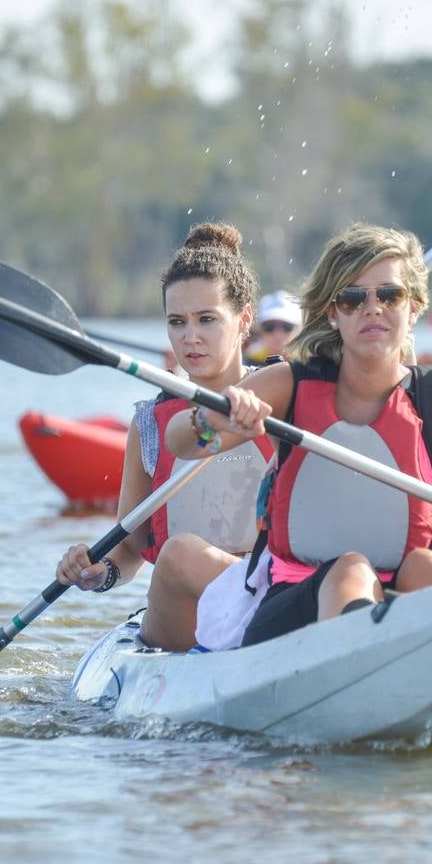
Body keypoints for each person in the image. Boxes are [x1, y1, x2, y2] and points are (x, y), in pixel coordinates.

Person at [163, 223, 432, 648]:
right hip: (293, 603)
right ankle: (364, 659)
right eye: (353, 299)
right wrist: (216, 420)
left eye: (390, 295)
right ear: (333, 313)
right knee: (350, 568)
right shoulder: (288, 385)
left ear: (415, 306)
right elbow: (181, 441)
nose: (373, 309)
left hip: (405, 594)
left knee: (427, 564)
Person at [54, 223, 274, 651]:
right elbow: (130, 549)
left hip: (270, 592)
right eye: (177, 322)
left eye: (207, 319)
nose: (189, 337)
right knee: (180, 553)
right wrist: (98, 573)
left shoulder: (283, 398)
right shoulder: (150, 424)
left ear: (244, 318)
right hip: (181, 616)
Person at [245, 290, 302, 364]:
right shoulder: (246, 363)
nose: (278, 334)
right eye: (269, 327)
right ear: (260, 330)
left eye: (287, 326)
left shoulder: (310, 363)